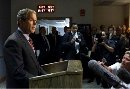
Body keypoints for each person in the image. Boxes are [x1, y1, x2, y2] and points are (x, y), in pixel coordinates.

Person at [4, 8, 46, 88]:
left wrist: (49, 78)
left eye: (36, 20)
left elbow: (37, 67)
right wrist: (39, 83)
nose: (35, 23)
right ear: (21, 21)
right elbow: (18, 72)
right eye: (31, 20)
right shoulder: (13, 41)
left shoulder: (28, 39)